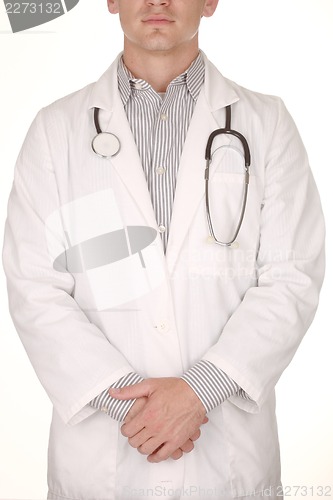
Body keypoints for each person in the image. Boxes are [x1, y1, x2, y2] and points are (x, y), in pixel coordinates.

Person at [2, 0, 325, 499]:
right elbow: (35, 288)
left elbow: (292, 277)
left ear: (211, 2)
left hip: (227, 462)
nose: (157, 1)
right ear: (111, 1)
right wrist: (133, 408)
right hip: (102, 464)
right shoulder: (55, 131)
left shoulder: (268, 125)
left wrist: (201, 390)